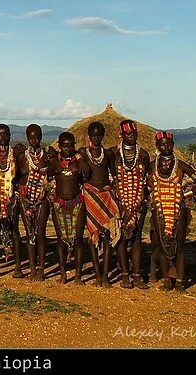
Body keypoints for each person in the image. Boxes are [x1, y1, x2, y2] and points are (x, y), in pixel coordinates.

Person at [147, 131, 196, 290]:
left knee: (180, 246)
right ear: (157, 146)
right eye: (162, 144)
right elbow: (146, 185)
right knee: (162, 245)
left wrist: (184, 194)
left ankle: (180, 282)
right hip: (159, 210)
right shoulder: (152, 165)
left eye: (169, 143)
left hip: (178, 209)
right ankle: (167, 279)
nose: (166, 146)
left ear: (173, 144)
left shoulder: (181, 165)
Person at [77, 121, 120, 287]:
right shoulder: (82, 153)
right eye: (93, 135)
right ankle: (97, 275)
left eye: (99, 135)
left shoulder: (107, 154)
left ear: (103, 135)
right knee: (92, 236)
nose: (96, 138)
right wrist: (80, 160)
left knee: (107, 236)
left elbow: (114, 174)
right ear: (89, 135)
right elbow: (73, 154)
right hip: (90, 196)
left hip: (106, 196)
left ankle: (106, 276)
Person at [115, 120, 150, 289]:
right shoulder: (113, 153)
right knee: (121, 237)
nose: (132, 136)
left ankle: (137, 275)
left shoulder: (143, 154)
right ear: (121, 135)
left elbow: (146, 179)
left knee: (136, 237)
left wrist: (140, 198)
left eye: (134, 133)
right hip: (119, 202)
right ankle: (124, 275)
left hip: (138, 203)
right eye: (128, 134)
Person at [48, 132, 85, 284]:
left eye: (70, 146)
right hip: (59, 203)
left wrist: (80, 161)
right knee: (61, 240)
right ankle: (63, 273)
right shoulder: (54, 162)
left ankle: (78, 275)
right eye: (64, 146)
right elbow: (48, 174)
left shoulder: (79, 161)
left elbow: (86, 174)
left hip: (77, 203)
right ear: (59, 146)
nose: (67, 149)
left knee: (78, 240)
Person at [18, 124, 51, 281]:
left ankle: (41, 269)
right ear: (27, 138)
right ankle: (32, 268)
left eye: (37, 137)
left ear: (41, 137)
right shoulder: (21, 156)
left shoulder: (48, 156)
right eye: (31, 138)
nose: (34, 140)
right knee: (29, 233)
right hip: (26, 199)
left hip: (42, 199)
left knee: (41, 233)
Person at [0, 123, 21, 277]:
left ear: (10, 136)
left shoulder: (17, 153)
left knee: (14, 231)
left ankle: (18, 268)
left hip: (11, 196)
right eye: (0, 134)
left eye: (6, 133)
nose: (3, 137)